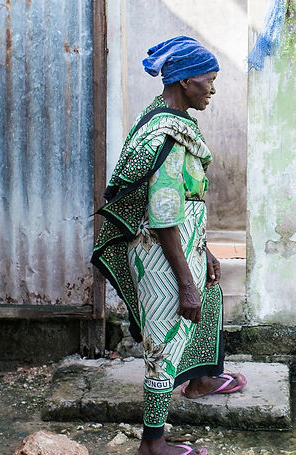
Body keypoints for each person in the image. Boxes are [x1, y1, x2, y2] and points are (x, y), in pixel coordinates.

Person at [93, 36, 246, 455]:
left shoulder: (164, 119)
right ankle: (152, 443)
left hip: (184, 247)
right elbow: (163, 215)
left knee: (209, 303)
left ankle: (200, 380)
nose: (213, 89)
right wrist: (185, 281)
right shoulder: (168, 134)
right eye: (208, 81)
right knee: (163, 343)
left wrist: (206, 252)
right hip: (162, 258)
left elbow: (185, 202)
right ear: (184, 82)